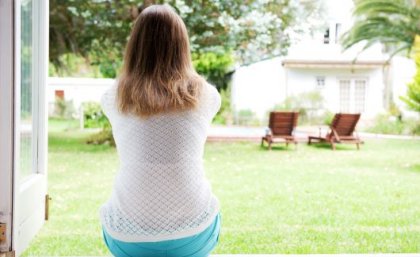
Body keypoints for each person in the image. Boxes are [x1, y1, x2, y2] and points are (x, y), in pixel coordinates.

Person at [99, 4, 221, 257]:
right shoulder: (207, 95)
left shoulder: (113, 96)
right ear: (182, 45)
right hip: (194, 235)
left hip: (127, 236)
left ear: (136, 45)